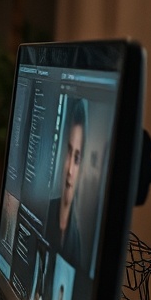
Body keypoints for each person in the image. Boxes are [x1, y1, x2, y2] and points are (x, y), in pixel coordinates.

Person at [46, 98, 87, 268]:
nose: (70, 169)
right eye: (69, 152)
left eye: (77, 158)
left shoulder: (77, 242)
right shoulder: (45, 213)